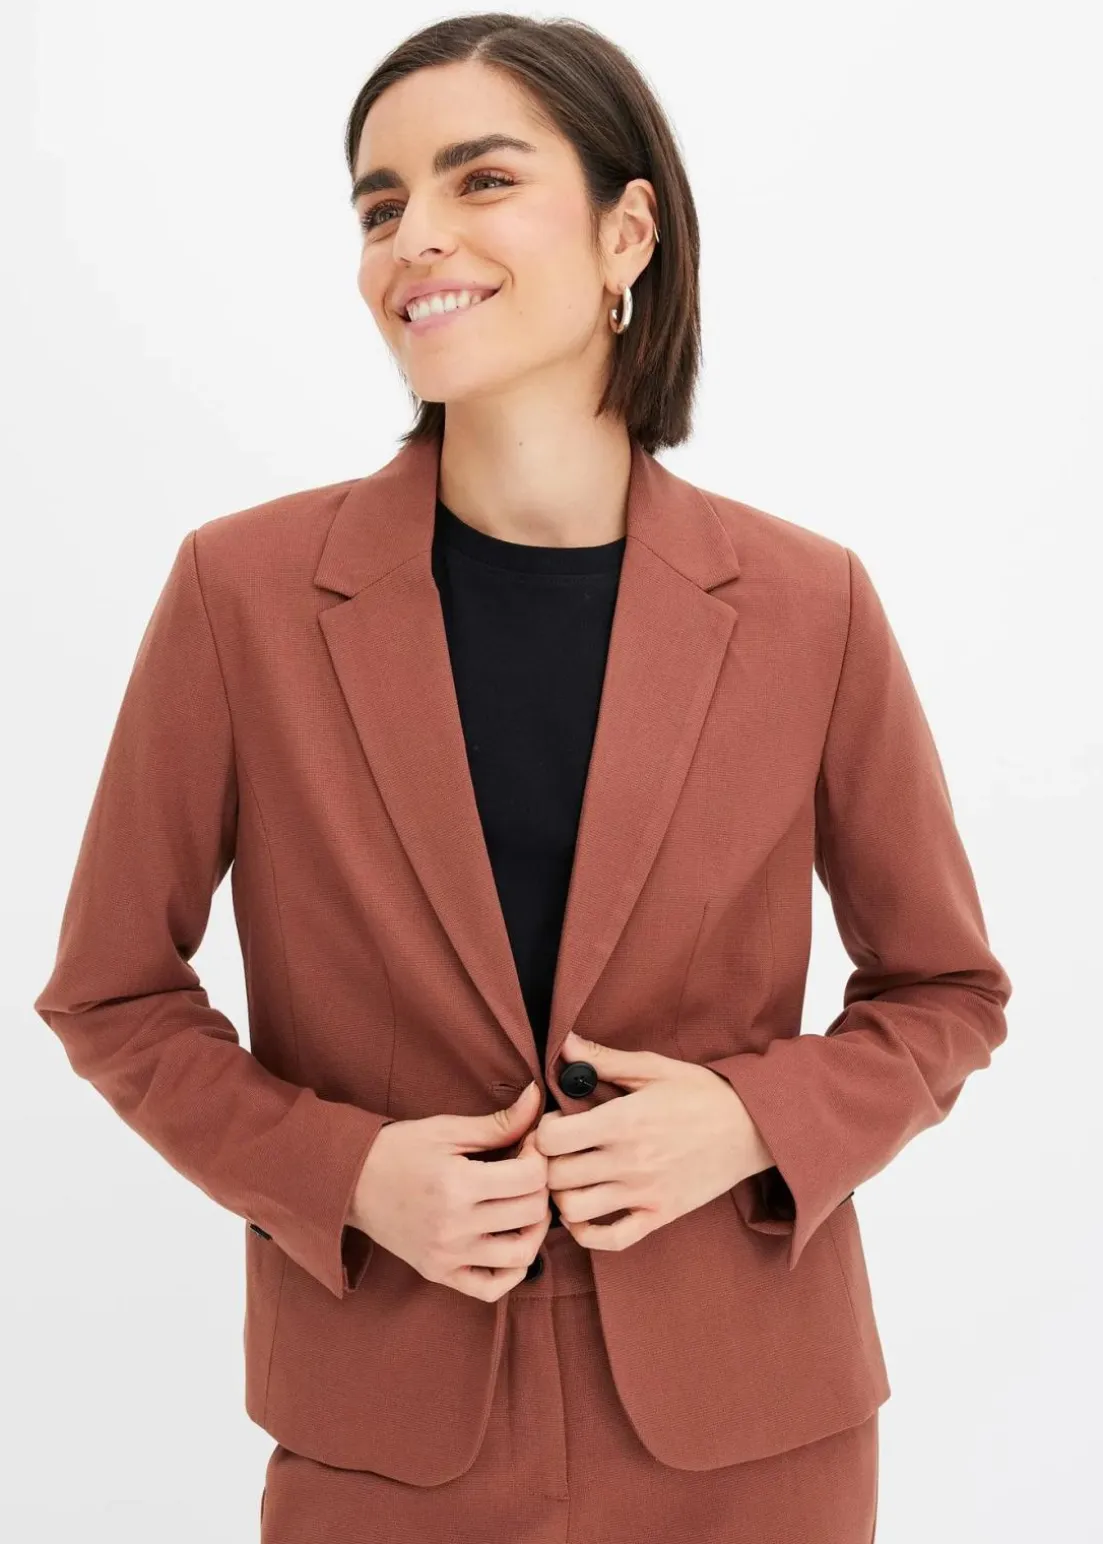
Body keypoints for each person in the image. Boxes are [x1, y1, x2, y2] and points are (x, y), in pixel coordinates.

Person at [34, 12, 1012, 1541]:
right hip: (386, 1433)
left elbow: (944, 991)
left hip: (753, 1432)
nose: (412, 236)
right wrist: (349, 1175)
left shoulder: (808, 604)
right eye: (379, 204)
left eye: (479, 178)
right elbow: (111, 994)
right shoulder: (243, 596)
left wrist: (750, 1122)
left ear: (628, 234)